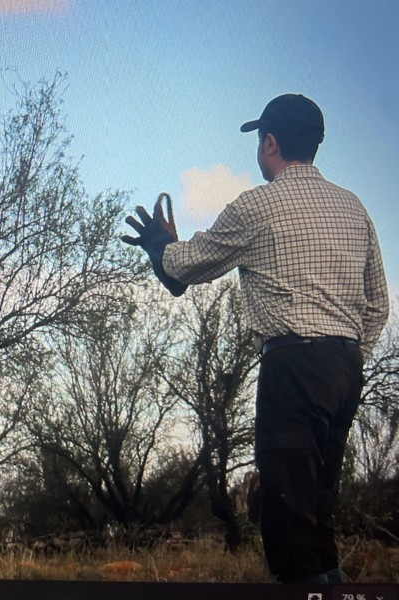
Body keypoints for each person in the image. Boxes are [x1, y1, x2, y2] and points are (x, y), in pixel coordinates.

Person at [122, 94, 390, 583]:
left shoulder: (257, 205)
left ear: (269, 142)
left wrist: (158, 244)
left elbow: (183, 268)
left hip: (294, 370)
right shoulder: (355, 208)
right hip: (345, 371)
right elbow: (378, 305)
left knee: (287, 525)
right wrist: (350, 356)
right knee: (317, 515)